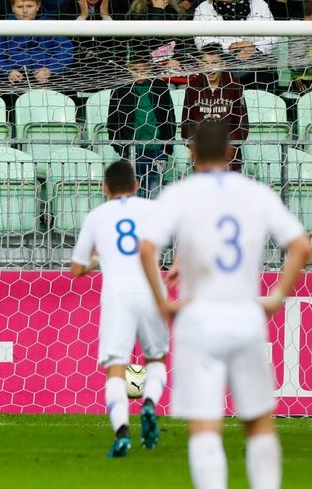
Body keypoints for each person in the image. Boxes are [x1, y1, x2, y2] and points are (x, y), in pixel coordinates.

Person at [139, 120, 310, 489]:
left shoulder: (180, 193)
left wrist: (164, 303)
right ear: (232, 152)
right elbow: (300, 245)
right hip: (245, 314)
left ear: (192, 152)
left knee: (205, 425)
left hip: (198, 317)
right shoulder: (255, 192)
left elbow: (147, 246)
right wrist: (278, 296)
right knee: (259, 422)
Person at [70, 160, 169, 458]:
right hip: (152, 289)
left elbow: (76, 268)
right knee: (156, 357)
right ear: (137, 185)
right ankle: (149, 403)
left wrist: (99, 260)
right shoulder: (153, 209)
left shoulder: (97, 216)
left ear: (105, 187)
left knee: (116, 368)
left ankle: (122, 433)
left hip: (118, 295)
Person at [107, 59, 176, 199]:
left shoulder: (160, 87)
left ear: (150, 69)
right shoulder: (120, 89)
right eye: (135, 70)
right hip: (131, 150)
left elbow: (170, 117)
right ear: (128, 69)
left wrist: (167, 146)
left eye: (143, 70)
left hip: (157, 150)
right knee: (132, 193)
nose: (139, 73)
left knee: (155, 190)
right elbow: (112, 121)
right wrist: (121, 148)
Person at [0, 0, 74, 88]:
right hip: (15, 80)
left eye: (30, 6)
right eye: (20, 7)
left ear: (38, 6)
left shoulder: (49, 26)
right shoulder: (4, 27)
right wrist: (8, 71)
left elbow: (66, 51)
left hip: (47, 79)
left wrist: (50, 69)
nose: (25, 11)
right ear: (12, 8)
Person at [182, 44, 248, 171]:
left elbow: (242, 124)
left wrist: (229, 149)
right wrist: (195, 149)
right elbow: (186, 124)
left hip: (229, 159)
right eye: (206, 63)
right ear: (200, 65)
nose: (210, 68)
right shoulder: (192, 87)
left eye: (215, 63)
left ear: (222, 64)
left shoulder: (234, 85)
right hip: (201, 158)